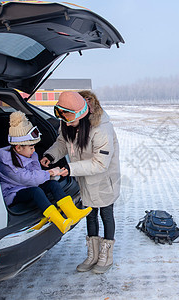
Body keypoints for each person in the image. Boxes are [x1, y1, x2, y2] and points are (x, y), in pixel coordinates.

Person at [41, 91, 120, 274]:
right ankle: (92, 255)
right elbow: (62, 142)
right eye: (64, 119)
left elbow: (100, 163)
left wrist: (69, 169)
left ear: (82, 114)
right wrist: (50, 155)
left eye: (70, 119)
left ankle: (106, 256)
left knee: (106, 214)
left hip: (103, 179)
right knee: (90, 214)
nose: (67, 123)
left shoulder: (101, 129)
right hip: (85, 178)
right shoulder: (68, 122)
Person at [0, 111, 92, 234]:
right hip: (14, 192)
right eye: (31, 147)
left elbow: (36, 173)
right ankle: (59, 221)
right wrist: (50, 173)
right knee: (36, 191)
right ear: (18, 147)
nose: (34, 150)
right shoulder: (7, 163)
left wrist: (50, 176)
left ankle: (73, 213)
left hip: (29, 186)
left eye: (34, 147)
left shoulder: (32, 155)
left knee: (53, 185)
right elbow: (28, 179)